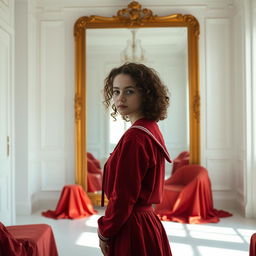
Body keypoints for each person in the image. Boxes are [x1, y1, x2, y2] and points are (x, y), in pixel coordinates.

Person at [97, 62, 172, 256]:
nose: (120, 98)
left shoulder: (135, 137)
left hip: (132, 227)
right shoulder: (150, 128)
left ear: (145, 94)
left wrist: (105, 232)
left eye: (129, 91)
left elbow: (123, 199)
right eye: (116, 91)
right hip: (146, 222)